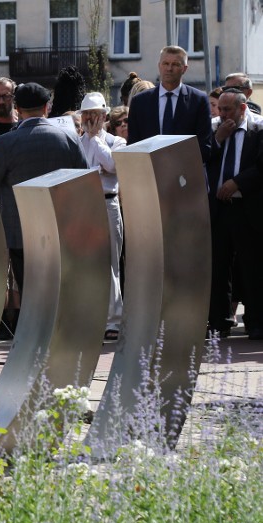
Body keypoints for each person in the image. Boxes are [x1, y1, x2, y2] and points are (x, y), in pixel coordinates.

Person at [0, 83, 88, 296]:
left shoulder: (6, 142)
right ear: (46, 107)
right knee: (60, 293)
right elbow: (83, 183)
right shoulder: (70, 137)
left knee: (30, 297)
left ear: (17, 108)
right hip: (60, 228)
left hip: (20, 232)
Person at [205, 88, 263, 339]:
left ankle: (256, 321)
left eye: (227, 109)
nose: (222, 114)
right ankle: (219, 321)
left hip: (246, 207)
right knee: (218, 266)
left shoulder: (258, 130)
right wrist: (218, 138)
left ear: (242, 108)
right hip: (219, 210)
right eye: (220, 108)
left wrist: (236, 182)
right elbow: (203, 157)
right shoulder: (215, 129)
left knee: (252, 267)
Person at [79, 92, 126, 341]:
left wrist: (96, 139)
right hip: (83, 207)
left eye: (94, 114)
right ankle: (91, 316)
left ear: (104, 116)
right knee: (86, 264)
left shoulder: (116, 141)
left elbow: (112, 166)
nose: (90, 119)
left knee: (109, 264)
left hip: (107, 204)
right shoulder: (78, 141)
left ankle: (113, 320)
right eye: (87, 114)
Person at [127, 45, 211, 162]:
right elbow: (133, 144)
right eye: (165, 64)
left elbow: (204, 145)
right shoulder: (140, 102)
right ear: (159, 66)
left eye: (175, 64)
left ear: (184, 68)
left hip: (184, 172)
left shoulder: (198, 100)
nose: (169, 68)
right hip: (151, 171)